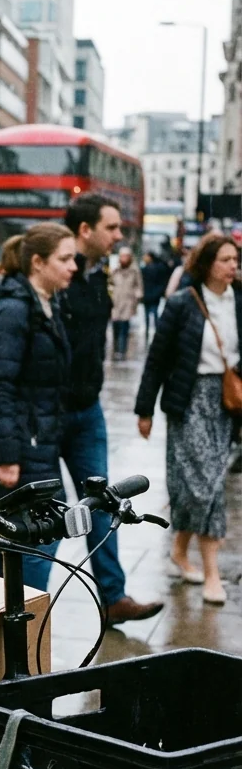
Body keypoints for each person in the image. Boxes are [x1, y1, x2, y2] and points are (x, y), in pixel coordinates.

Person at [59, 194, 163, 626]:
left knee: (104, 502)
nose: (120, 235)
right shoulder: (60, 272)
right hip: (48, 416)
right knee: (40, 518)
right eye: (112, 227)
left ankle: (114, 596)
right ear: (86, 230)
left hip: (87, 411)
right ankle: (10, 603)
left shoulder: (98, 275)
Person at [135, 233, 241, 605]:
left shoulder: (238, 302)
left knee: (202, 483)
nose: (233, 266)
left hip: (226, 402)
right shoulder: (183, 303)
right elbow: (157, 359)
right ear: (207, 263)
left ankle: (180, 550)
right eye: (225, 259)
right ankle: (212, 573)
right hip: (188, 399)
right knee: (203, 486)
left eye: (235, 260)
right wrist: (144, 409)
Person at [0, 225, 75, 593]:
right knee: (39, 539)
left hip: (37, 442)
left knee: (6, 540)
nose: (73, 266)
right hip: (21, 448)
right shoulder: (14, 310)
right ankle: (25, 631)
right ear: (37, 262)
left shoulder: (46, 304)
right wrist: (6, 456)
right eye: (64, 259)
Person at [110, 246, 143, 360]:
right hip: (115, 302)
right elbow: (110, 283)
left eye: (126, 256)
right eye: (122, 256)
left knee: (124, 328)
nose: (123, 258)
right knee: (115, 328)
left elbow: (139, 286)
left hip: (128, 302)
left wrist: (137, 296)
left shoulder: (134, 271)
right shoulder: (115, 270)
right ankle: (115, 348)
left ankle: (122, 351)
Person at [140, 250, 170, 345]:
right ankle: (151, 335)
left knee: (153, 315)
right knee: (150, 316)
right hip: (150, 296)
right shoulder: (146, 268)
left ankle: (154, 335)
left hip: (152, 296)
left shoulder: (155, 268)